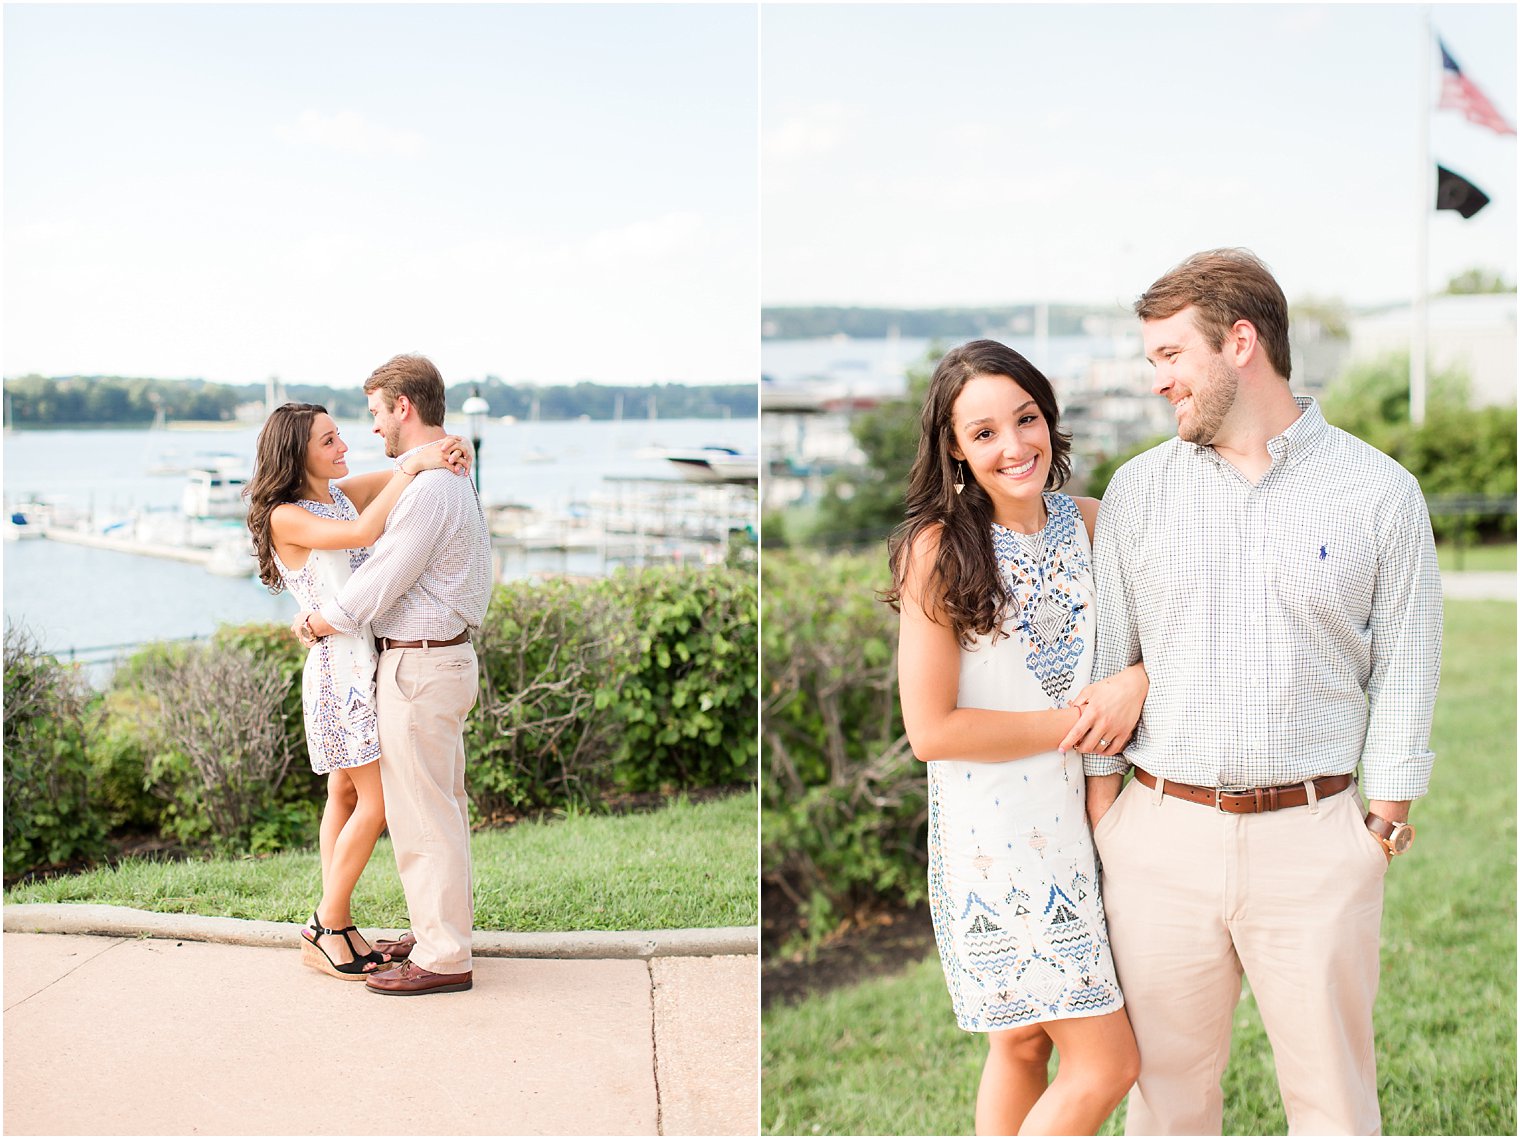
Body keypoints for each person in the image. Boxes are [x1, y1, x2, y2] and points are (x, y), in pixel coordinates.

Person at [1084, 248, 1442, 1135]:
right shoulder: (1137, 492)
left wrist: (1380, 825)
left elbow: (1407, 666)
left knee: (1335, 1106)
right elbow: (1105, 660)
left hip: (1318, 842)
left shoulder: (1381, 494)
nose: (1156, 378)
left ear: (1240, 341)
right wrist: (1109, 821)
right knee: (1166, 1104)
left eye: (1170, 354)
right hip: (1160, 840)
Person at [885, 339, 1146, 1135]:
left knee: (1026, 1046)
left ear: (1049, 417)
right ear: (955, 448)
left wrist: (1136, 680)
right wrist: (1079, 720)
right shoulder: (937, 549)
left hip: (1089, 821)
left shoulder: (1099, 525)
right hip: (1000, 840)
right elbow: (931, 730)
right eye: (986, 431)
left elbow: (1154, 644)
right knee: (1108, 1064)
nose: (1015, 445)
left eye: (1026, 419)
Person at [246, 402, 471, 980]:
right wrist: (412, 468)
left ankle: (337, 925)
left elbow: (411, 469)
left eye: (341, 435)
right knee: (375, 803)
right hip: (339, 672)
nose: (344, 447)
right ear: (297, 452)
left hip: (357, 660)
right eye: (328, 441)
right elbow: (365, 531)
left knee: (344, 797)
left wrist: (446, 450)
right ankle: (327, 923)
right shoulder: (286, 516)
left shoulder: (337, 493)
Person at [295, 353, 494, 998]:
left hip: (420, 662)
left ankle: (441, 957)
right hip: (436, 658)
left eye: (377, 412)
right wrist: (424, 457)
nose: (371, 427)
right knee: (438, 808)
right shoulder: (439, 477)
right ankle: (441, 934)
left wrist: (322, 621)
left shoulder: (433, 488)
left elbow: (381, 582)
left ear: (402, 407)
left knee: (422, 816)